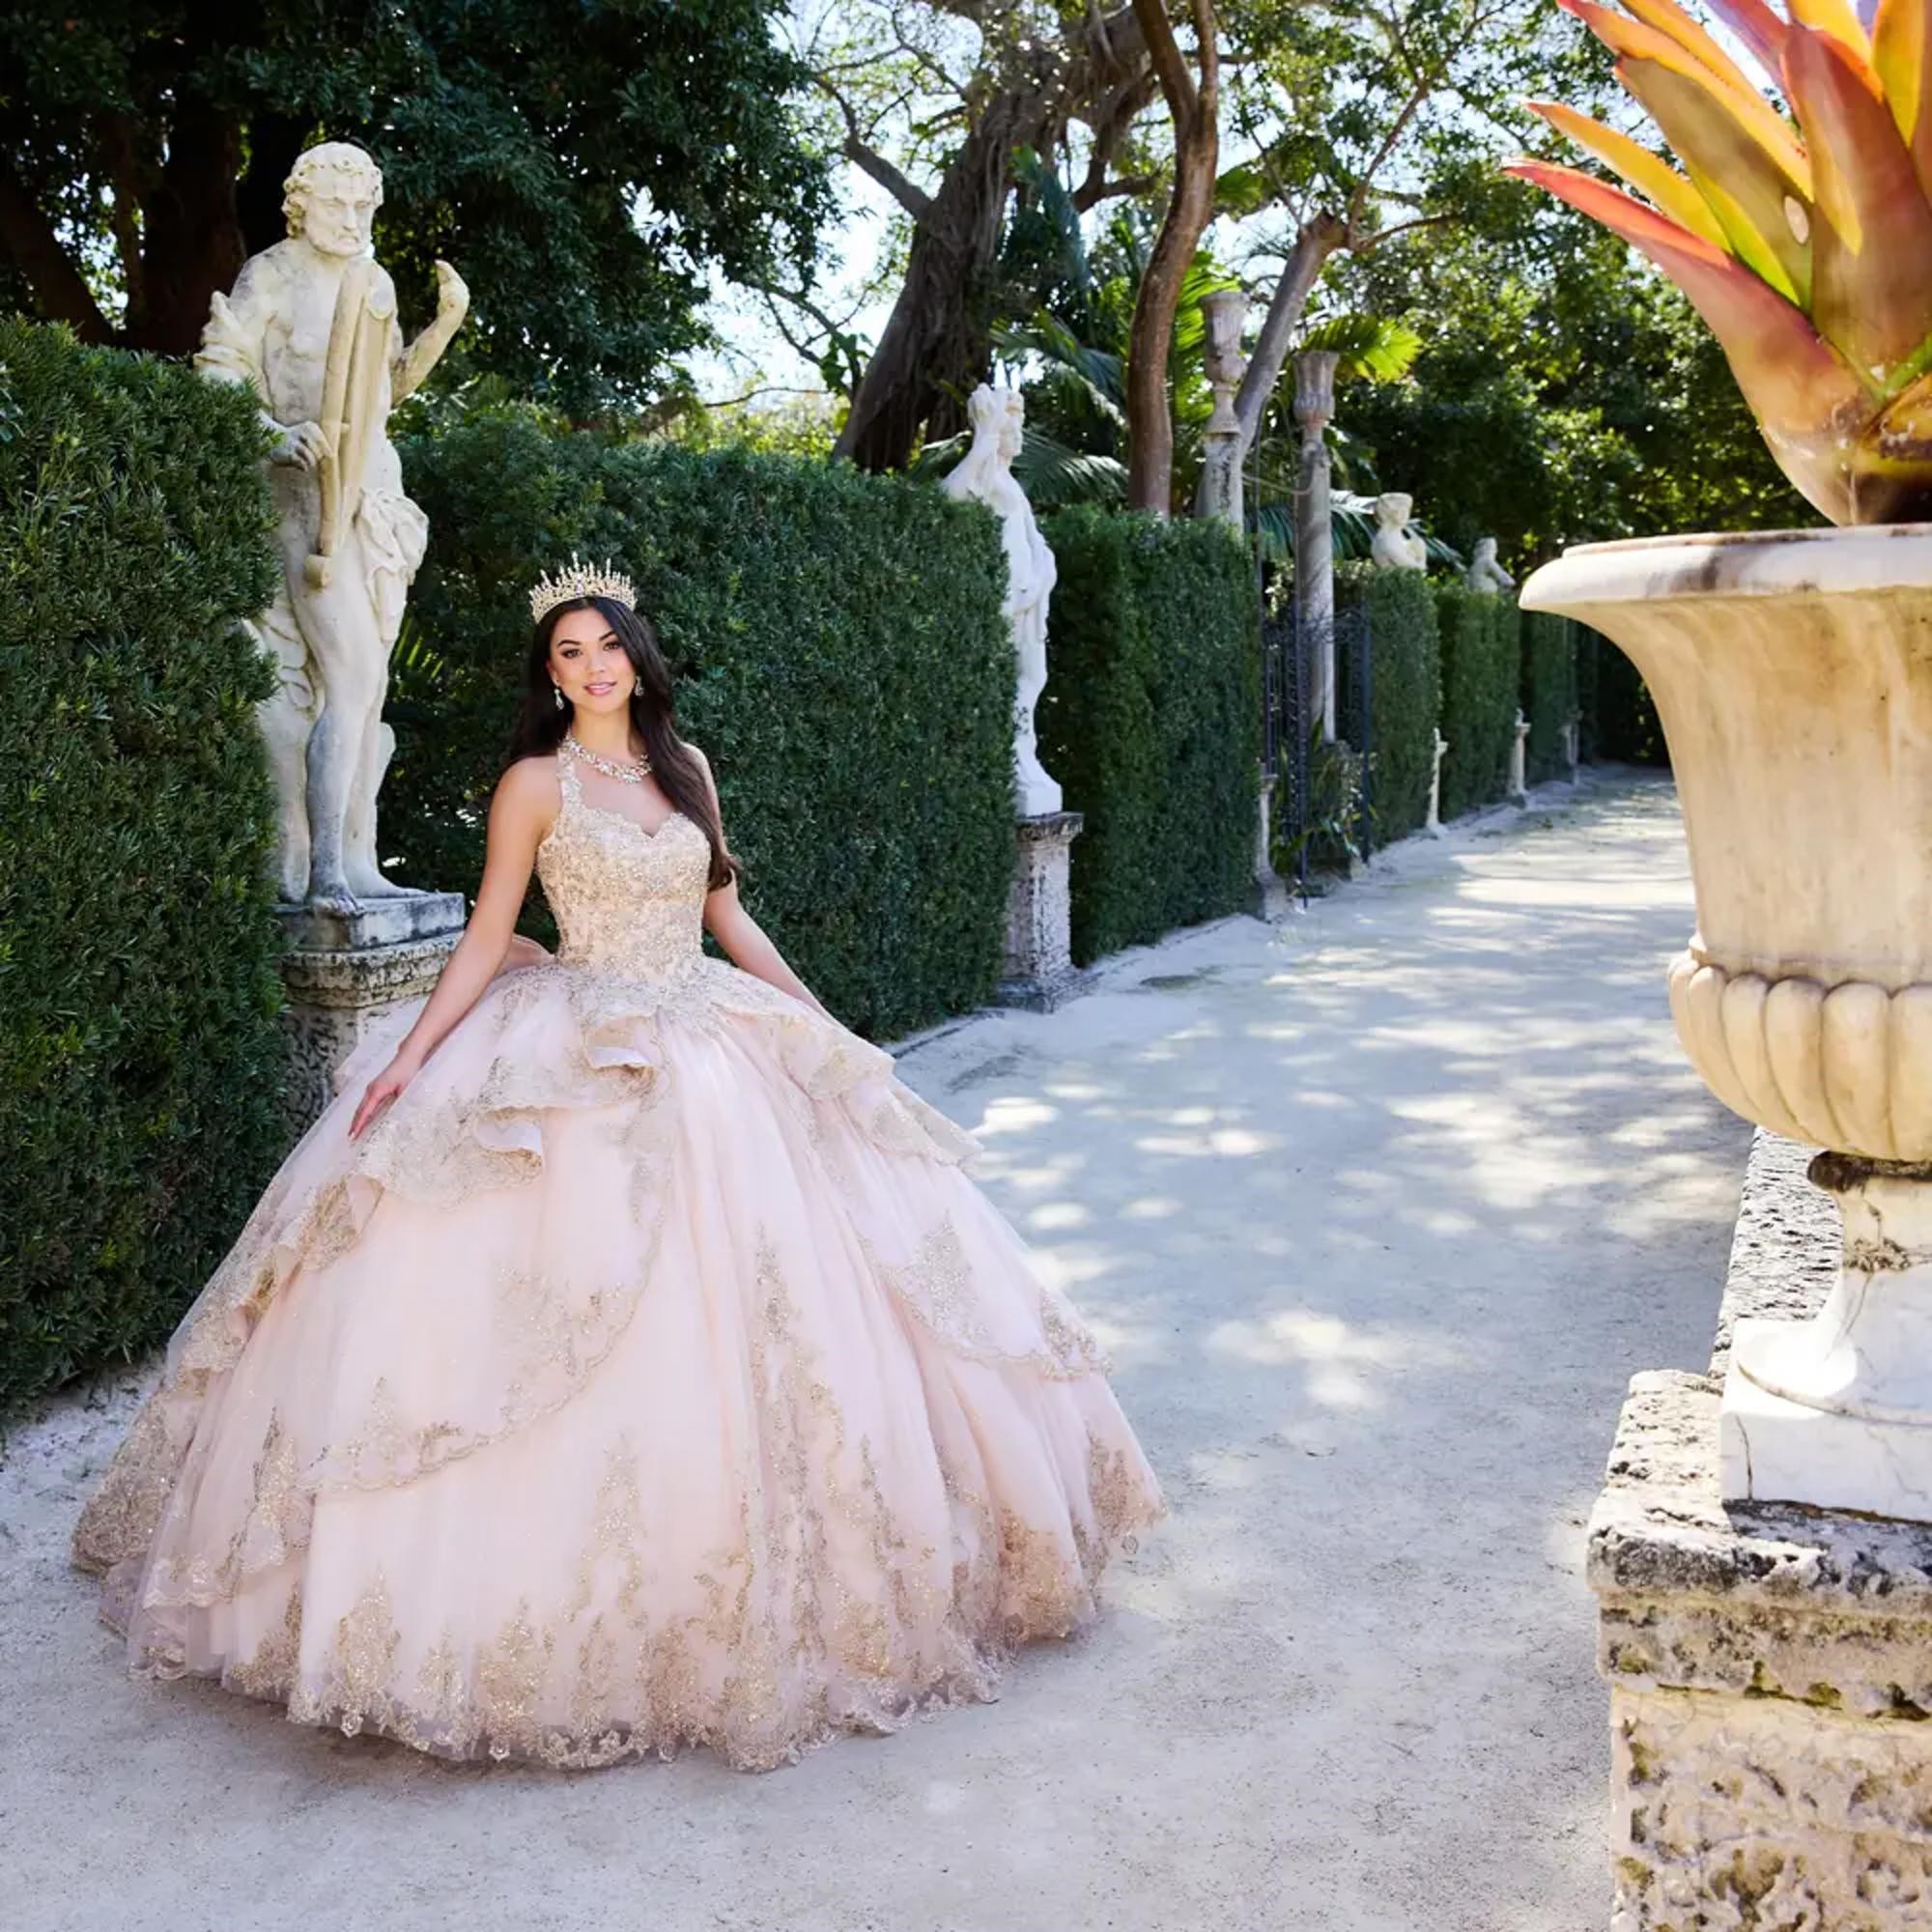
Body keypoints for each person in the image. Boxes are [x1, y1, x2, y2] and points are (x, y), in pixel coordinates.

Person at [71, 557, 1166, 1773]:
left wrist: (830, 1034)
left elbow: (727, 918)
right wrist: (405, 1065)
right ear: (551, 677)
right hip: (576, 1047)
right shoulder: (533, 782)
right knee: (541, 1295)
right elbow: (492, 933)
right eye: (566, 655)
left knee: (801, 1278)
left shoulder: (686, 774)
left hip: (704, 1038)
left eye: (605, 647)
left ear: (638, 657)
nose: (590, 669)